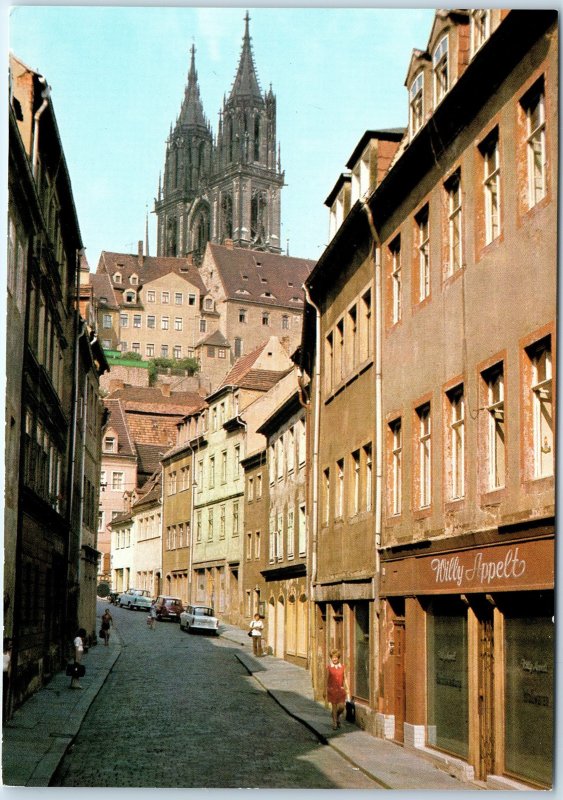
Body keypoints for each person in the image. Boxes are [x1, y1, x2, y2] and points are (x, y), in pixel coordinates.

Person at [326, 648, 349, 729]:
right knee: (334, 706)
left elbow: (345, 677)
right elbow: (326, 679)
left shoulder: (342, 667)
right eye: (333, 657)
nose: (334, 659)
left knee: (342, 707)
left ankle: (336, 716)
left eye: (336, 657)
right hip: (332, 689)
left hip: (340, 689)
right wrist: (324, 690)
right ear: (331, 658)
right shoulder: (329, 667)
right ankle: (335, 722)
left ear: (338, 658)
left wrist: (347, 688)